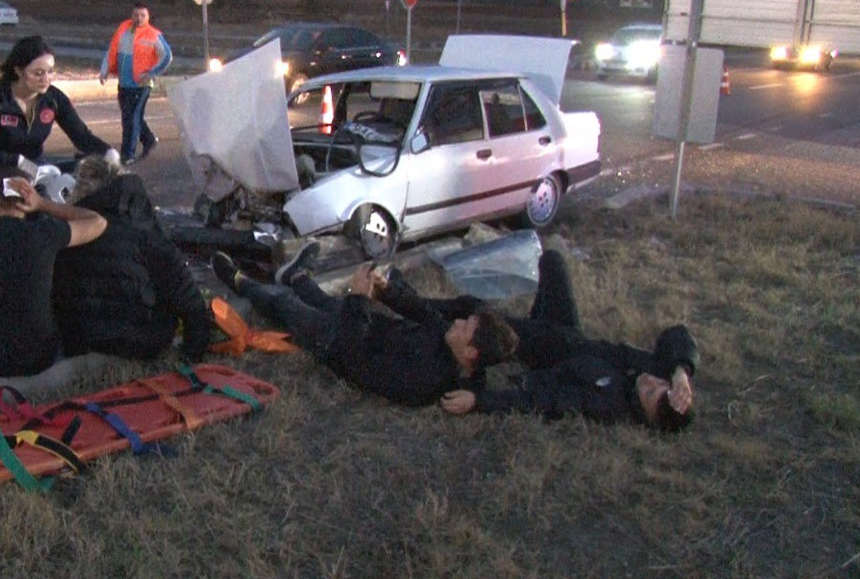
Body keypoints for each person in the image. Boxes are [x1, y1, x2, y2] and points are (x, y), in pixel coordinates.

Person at [210, 245, 518, 407]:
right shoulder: (453, 342)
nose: (458, 322)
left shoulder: (426, 378)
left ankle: (240, 282)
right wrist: (385, 290)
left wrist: (359, 300)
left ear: (471, 352)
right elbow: (421, 310)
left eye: (466, 327)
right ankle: (297, 275)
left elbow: (358, 362)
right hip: (364, 324)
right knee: (324, 300)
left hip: (337, 345)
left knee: (286, 305)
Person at [433, 250, 697, 431]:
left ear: (645, 415)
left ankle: (421, 307)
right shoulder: (654, 374)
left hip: (545, 351)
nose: (651, 381)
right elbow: (677, 334)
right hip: (567, 333)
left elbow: (543, 401)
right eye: (660, 383)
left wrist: (479, 402)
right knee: (552, 260)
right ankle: (533, 321)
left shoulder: (607, 404)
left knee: (478, 314)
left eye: (650, 393)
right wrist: (680, 372)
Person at [0, 167, 107, 378]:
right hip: (39, 356)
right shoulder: (44, 234)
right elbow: (97, 222)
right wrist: (42, 203)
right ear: (26, 202)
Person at [51, 155, 213, 363]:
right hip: (141, 342)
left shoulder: (65, 231)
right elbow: (189, 301)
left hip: (79, 343)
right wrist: (191, 356)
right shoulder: (143, 230)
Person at [0, 36, 115, 175]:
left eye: (50, 71)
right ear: (19, 71)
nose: (46, 79)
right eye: (38, 73)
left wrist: (108, 153)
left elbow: (81, 135)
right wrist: (14, 161)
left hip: (36, 169)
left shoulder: (53, 98)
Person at [100, 2, 172, 164]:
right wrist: (104, 70)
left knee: (130, 120)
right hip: (124, 83)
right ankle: (148, 140)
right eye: (136, 15)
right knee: (131, 117)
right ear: (131, 16)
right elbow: (111, 50)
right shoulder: (123, 30)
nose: (139, 18)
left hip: (141, 85)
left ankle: (128, 155)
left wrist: (152, 73)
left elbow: (167, 56)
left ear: (148, 17)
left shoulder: (153, 35)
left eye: (142, 15)